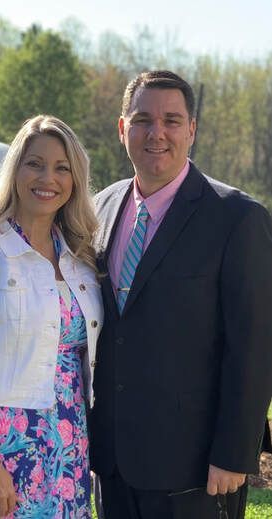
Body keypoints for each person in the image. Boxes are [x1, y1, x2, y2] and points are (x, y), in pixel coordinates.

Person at [90, 70, 272, 519]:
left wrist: (234, 453)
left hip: (194, 471)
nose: (157, 133)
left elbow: (253, 347)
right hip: (110, 463)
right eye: (143, 120)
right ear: (122, 129)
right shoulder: (99, 208)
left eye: (171, 120)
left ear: (191, 129)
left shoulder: (237, 218)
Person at [0, 114, 103, 518]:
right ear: (15, 170)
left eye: (62, 168)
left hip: (67, 442)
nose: (48, 178)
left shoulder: (79, 258)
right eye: (35, 164)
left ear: (75, 180)